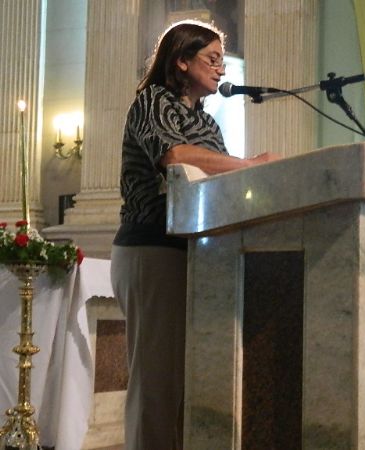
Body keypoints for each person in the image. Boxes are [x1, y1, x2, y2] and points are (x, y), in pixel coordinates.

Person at [110, 21, 279, 450]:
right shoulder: (152, 101)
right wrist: (250, 165)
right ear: (182, 61)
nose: (221, 68)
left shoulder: (207, 124)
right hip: (152, 251)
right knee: (156, 383)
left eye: (223, 59)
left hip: (197, 255)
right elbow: (175, 155)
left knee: (189, 382)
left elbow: (220, 182)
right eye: (212, 58)